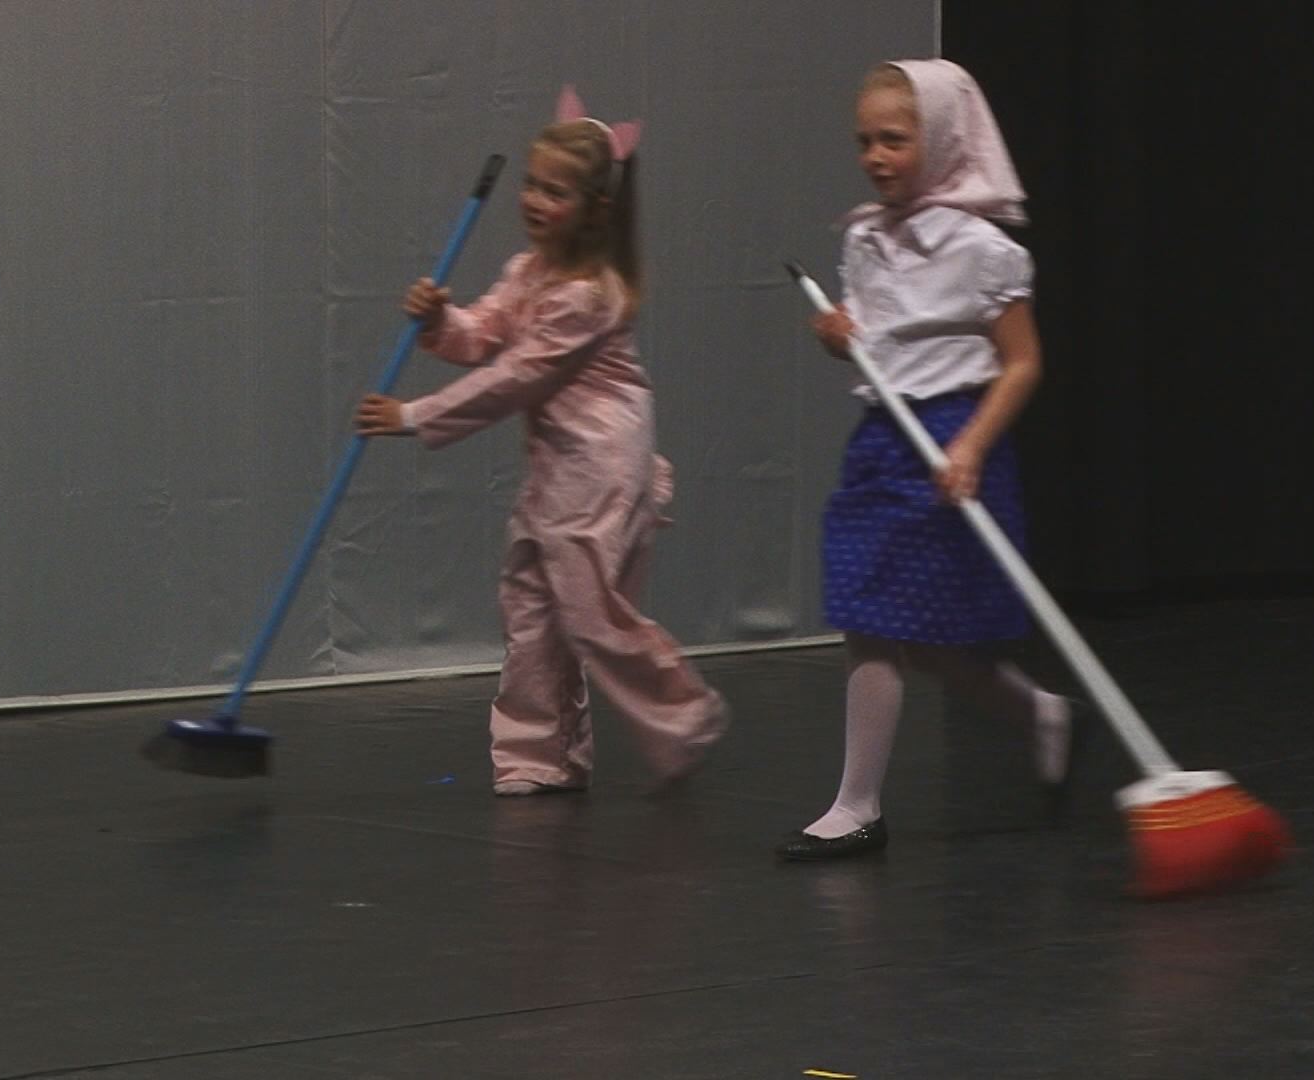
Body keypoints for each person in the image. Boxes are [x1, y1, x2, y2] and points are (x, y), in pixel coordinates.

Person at [355, 87, 727, 796]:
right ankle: (538, 754)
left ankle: (684, 716)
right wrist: (438, 321)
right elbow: (482, 334)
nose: (533, 200)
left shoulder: (590, 294)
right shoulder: (529, 271)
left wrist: (414, 416)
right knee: (529, 607)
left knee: (590, 617)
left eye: (555, 192)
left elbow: (516, 379)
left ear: (595, 210)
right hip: (557, 466)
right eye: (532, 184)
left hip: (602, 469)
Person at [776, 60, 1075, 861]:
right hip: (883, 439)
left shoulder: (982, 249)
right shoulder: (865, 239)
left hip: (954, 438)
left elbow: (1022, 363)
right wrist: (840, 338)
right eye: (865, 141)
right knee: (882, 622)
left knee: (925, 639)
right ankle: (871, 796)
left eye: (895, 140)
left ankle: (874, 797)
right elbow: (878, 352)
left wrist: (970, 444)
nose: (875, 157)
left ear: (940, 139)